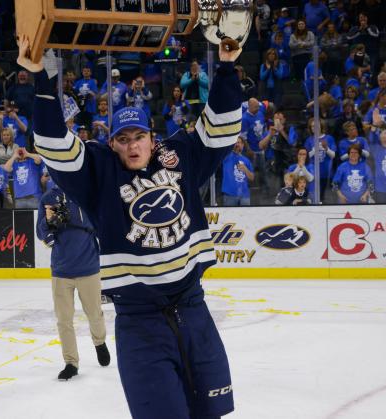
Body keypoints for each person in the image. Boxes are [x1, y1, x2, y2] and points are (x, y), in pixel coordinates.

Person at [19, 34, 241, 419]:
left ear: (153, 140)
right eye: (122, 139)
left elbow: (221, 128)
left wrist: (225, 67)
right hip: (140, 324)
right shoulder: (98, 173)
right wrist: (40, 78)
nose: (132, 145)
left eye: (139, 136)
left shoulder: (179, 156)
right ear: (112, 143)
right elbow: (54, 143)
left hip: (194, 311)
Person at [36, 181, 110, 381]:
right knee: (64, 320)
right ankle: (71, 362)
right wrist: (50, 221)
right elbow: (41, 233)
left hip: (88, 267)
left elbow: (98, 224)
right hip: (61, 270)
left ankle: (100, 342)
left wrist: (71, 216)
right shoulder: (48, 198)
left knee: (95, 313)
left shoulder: (86, 193)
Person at [304, 118, 336, 201]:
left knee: (322, 196)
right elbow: (305, 157)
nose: (314, 128)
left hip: (325, 172)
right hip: (312, 172)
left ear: (321, 126)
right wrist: (314, 150)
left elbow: (333, 155)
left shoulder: (329, 138)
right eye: (312, 126)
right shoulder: (309, 140)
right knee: (311, 195)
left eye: (316, 126)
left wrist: (326, 148)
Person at [221, 135, 254, 206]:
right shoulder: (226, 156)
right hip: (230, 194)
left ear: (242, 145)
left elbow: (252, 178)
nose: (237, 144)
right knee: (230, 217)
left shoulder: (246, 160)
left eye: (239, 142)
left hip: (244, 195)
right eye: (235, 143)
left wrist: (245, 170)